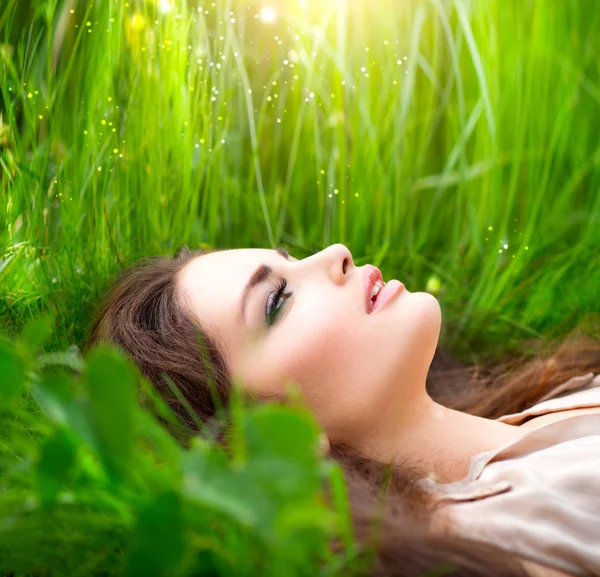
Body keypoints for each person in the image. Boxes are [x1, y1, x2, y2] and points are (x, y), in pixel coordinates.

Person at [84, 243, 600, 577]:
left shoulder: (550, 394)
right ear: (263, 439)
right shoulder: (499, 545)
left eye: (292, 255)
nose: (337, 253)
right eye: (276, 302)